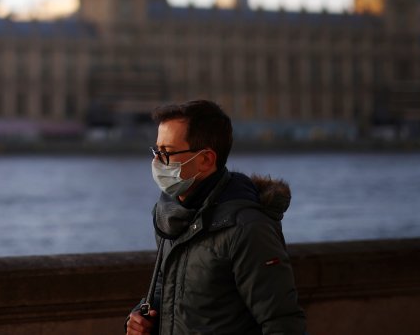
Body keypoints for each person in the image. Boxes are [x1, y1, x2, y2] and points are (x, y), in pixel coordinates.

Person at [125, 99, 306, 335]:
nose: (157, 162)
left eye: (167, 153)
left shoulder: (248, 228)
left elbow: (282, 322)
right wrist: (141, 317)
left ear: (206, 159)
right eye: (156, 151)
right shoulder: (171, 215)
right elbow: (165, 287)